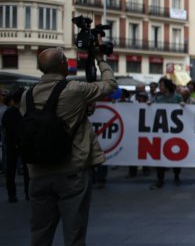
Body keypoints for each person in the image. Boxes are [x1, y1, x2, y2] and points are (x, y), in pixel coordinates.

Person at [21, 46, 117, 245]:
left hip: (38, 173)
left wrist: (81, 110)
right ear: (63, 64)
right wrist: (100, 59)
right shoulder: (74, 89)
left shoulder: (27, 96)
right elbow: (109, 84)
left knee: (40, 233)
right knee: (74, 232)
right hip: (70, 170)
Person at [151, 78, 183, 189]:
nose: (160, 87)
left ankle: (177, 176)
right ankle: (160, 179)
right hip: (162, 132)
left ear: (167, 86)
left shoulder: (177, 97)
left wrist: (183, 104)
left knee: (176, 154)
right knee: (160, 156)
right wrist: (149, 105)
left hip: (175, 132)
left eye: (162, 85)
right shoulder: (158, 99)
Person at [2, 88, 29, 202]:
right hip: (22, 145)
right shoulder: (26, 112)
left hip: (12, 145)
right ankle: (27, 193)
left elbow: (6, 128)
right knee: (26, 170)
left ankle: (12, 195)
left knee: (11, 171)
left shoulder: (8, 113)